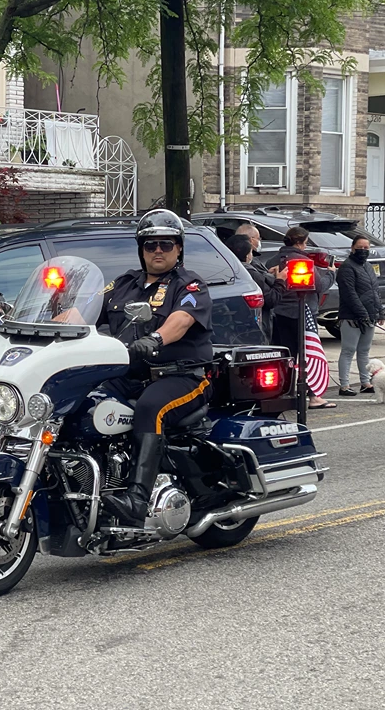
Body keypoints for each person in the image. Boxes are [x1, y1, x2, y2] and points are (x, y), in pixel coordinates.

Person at [96, 209, 214, 525]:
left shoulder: (189, 285)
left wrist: (156, 339)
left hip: (181, 376)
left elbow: (182, 319)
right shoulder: (122, 285)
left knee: (151, 407)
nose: (158, 250)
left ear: (179, 248)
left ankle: (136, 498)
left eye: (166, 244)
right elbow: (85, 313)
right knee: (85, 400)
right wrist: (43, 325)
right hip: (129, 376)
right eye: (151, 245)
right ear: (141, 249)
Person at [273, 226, 336, 409]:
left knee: (285, 355)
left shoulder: (274, 259)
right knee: (308, 354)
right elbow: (319, 285)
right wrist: (331, 273)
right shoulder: (302, 261)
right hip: (302, 311)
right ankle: (313, 396)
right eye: (306, 243)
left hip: (279, 313)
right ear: (300, 243)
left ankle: (284, 393)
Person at [336, 236, 385, 396]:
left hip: (369, 315)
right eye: (360, 247)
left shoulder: (369, 267)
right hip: (351, 317)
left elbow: (374, 292)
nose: (363, 251)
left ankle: (365, 382)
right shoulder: (347, 268)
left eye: (366, 248)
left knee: (364, 351)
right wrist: (362, 314)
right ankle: (344, 385)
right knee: (348, 350)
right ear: (352, 248)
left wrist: (379, 311)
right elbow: (349, 294)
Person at [225, 233, 287, 340]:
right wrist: (280, 280)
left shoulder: (227, 269)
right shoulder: (249, 273)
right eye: (251, 252)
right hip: (255, 327)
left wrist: (267, 275)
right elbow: (271, 298)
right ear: (247, 255)